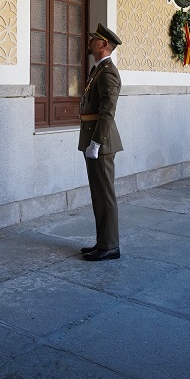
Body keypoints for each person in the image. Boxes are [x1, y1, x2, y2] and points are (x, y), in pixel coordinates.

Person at [79, 23, 123, 261]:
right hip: (94, 137)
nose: (90, 42)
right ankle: (103, 241)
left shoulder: (108, 72)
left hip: (101, 141)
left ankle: (110, 246)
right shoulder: (98, 70)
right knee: (98, 194)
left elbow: (107, 111)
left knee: (105, 194)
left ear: (104, 44)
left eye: (94, 39)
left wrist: (96, 142)